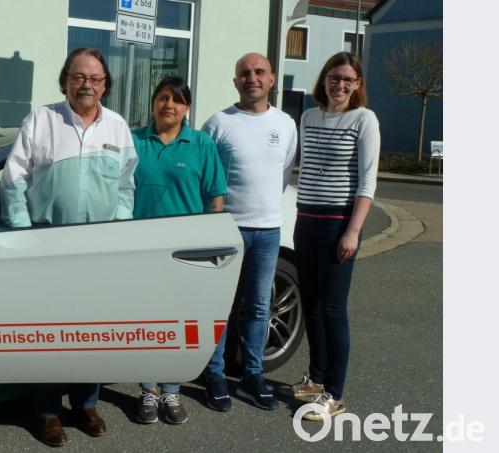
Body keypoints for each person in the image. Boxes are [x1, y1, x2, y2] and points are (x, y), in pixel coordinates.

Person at [0, 48, 138, 446]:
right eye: (79, 77)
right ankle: (46, 412)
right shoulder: (41, 120)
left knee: (92, 330)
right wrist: (24, 235)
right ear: (65, 81)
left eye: (95, 79)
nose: (87, 85)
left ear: (105, 84)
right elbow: (14, 180)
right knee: (47, 331)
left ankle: (85, 404)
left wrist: (120, 232)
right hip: (47, 244)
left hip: (99, 250)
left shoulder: (116, 127)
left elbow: (127, 187)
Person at [279, 52, 380, 421]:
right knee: (314, 305)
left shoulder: (364, 120)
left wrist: (353, 231)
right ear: (324, 80)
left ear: (357, 86)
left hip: (339, 224)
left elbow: (367, 181)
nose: (340, 85)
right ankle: (316, 380)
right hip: (306, 221)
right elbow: (298, 171)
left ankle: (333, 394)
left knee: (334, 309)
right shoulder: (308, 116)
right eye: (335, 78)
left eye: (348, 80)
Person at [201, 52, 297, 412]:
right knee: (220, 306)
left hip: (269, 231)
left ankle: (253, 376)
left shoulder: (286, 124)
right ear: (235, 81)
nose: (252, 78)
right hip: (228, 229)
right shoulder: (218, 123)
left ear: (272, 79)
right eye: (245, 73)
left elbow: (283, 173)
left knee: (259, 307)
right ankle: (215, 375)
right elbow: (207, 176)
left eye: (259, 72)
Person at [131, 75, 226, 425]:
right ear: (153, 102)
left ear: (186, 107)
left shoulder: (200, 143)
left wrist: (210, 243)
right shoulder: (134, 140)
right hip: (141, 248)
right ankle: (147, 391)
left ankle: (171, 390)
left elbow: (216, 195)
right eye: (162, 97)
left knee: (178, 322)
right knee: (147, 321)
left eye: (177, 99)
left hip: (185, 250)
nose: (169, 105)